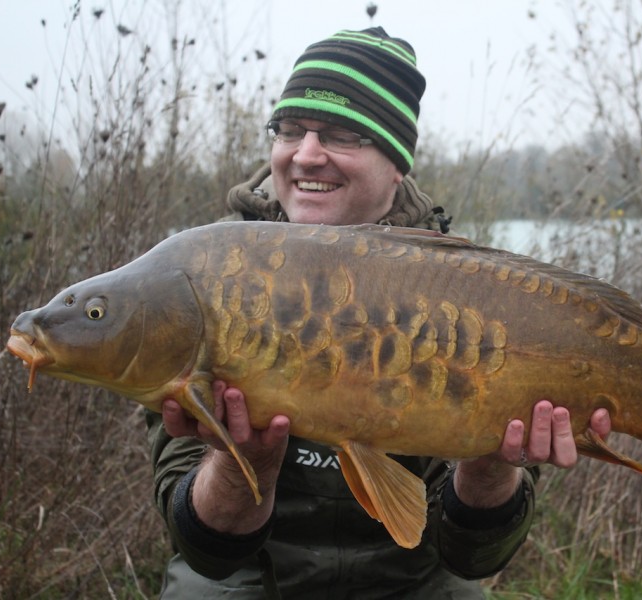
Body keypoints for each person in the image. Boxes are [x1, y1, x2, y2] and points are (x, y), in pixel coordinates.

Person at [146, 27, 611, 599]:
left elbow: (470, 557)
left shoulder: (470, 295)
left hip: (413, 568)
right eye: (290, 130)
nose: (306, 153)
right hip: (253, 568)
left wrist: (491, 464)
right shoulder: (204, 279)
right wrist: (245, 466)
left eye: (342, 134)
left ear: (396, 163)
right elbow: (204, 551)